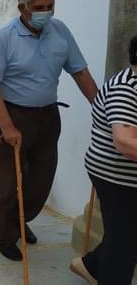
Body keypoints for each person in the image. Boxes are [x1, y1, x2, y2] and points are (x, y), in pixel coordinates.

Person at [0, 0, 98, 261]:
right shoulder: (3, 38)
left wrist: (104, 108)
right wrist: (7, 127)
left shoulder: (61, 32)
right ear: (23, 9)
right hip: (8, 114)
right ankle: (3, 234)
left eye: (49, 7)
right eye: (39, 8)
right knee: (6, 180)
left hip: (47, 115)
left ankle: (20, 221)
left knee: (41, 178)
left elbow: (80, 73)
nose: (45, 12)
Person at [70, 36, 137, 285]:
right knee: (123, 247)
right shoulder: (126, 88)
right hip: (117, 176)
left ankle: (91, 266)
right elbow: (125, 142)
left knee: (124, 235)